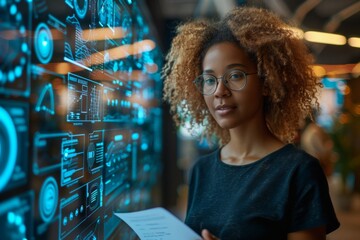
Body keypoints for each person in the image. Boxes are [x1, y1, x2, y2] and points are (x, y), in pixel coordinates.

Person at [162, 6, 340, 240]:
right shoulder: (201, 171)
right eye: (209, 80)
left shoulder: (298, 171)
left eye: (235, 75)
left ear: (267, 83)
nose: (219, 91)